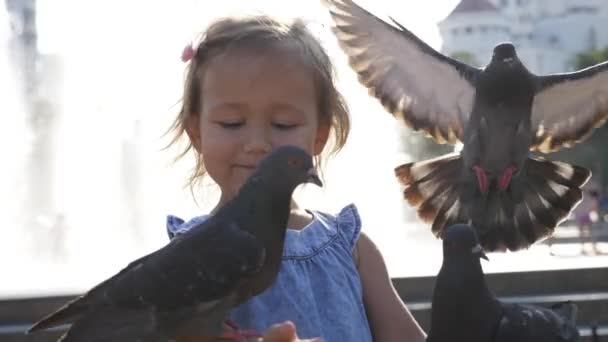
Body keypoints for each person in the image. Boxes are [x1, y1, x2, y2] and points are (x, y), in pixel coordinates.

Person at [165, 14, 426, 342]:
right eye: (232, 123)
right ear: (196, 133)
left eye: (284, 124)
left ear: (318, 136)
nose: (258, 144)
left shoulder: (350, 248)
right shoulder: (190, 257)